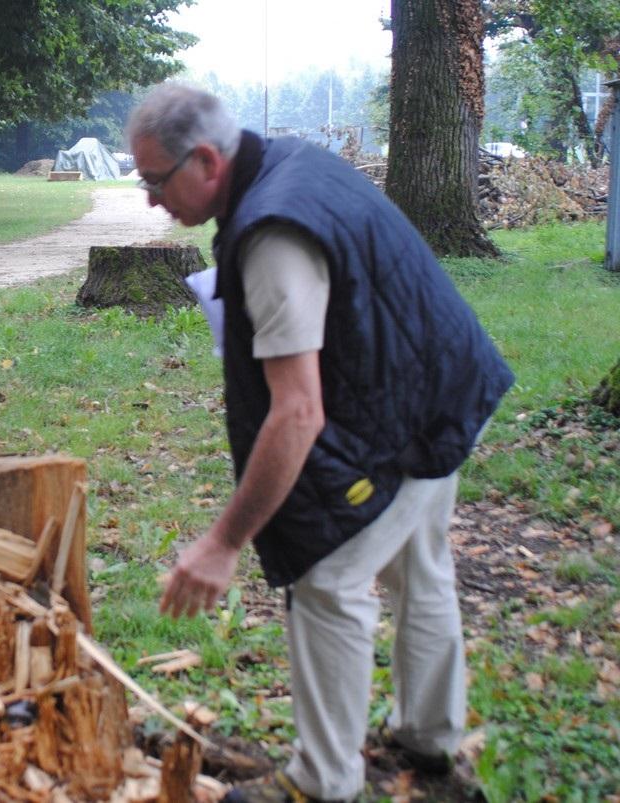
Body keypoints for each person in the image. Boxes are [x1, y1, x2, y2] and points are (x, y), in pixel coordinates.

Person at [131, 83, 513, 802]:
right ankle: (428, 740)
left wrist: (222, 542)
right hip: (438, 381)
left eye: (155, 179)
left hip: (412, 403)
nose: (152, 199)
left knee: (328, 578)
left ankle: (322, 780)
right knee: (417, 560)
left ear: (207, 160)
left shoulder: (273, 233)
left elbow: (296, 413)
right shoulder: (290, 165)